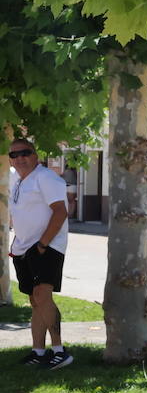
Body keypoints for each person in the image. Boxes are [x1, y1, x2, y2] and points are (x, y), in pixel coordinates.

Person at [8, 138, 73, 369]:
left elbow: (60, 212)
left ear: (35, 155)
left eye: (25, 153)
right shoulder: (17, 180)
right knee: (35, 300)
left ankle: (59, 350)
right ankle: (38, 352)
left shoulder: (46, 178)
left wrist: (42, 245)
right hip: (23, 249)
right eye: (14, 155)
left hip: (47, 246)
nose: (20, 158)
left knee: (43, 296)